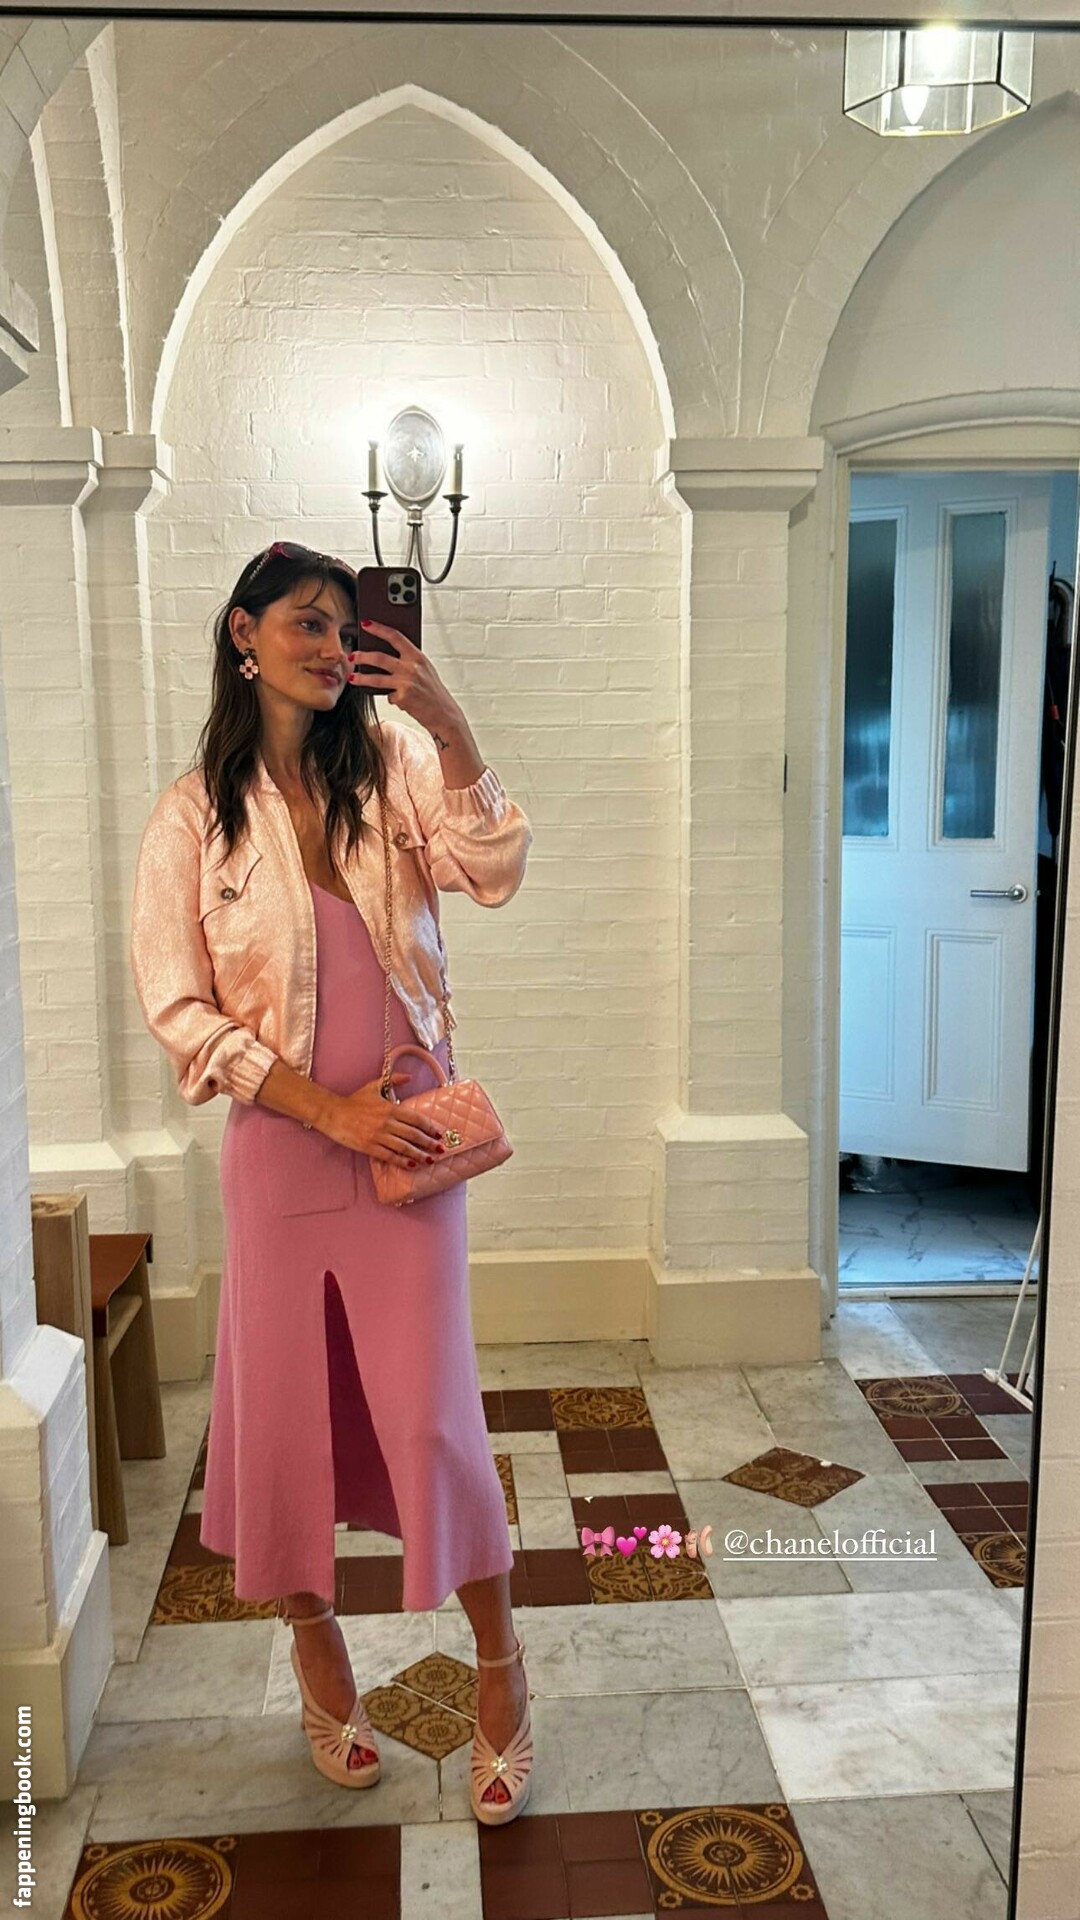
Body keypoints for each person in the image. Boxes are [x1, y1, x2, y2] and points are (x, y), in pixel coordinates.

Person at [128, 540, 535, 1824]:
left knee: (431, 1417)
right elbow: (179, 1009)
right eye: (303, 622)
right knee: (285, 1420)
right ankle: (318, 1654)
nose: (327, 644)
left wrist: (450, 725)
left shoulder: (396, 762)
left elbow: (493, 871)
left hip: (410, 1144)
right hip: (285, 1152)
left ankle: (503, 1666)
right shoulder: (192, 817)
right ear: (243, 635)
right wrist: (323, 1112)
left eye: (342, 625)